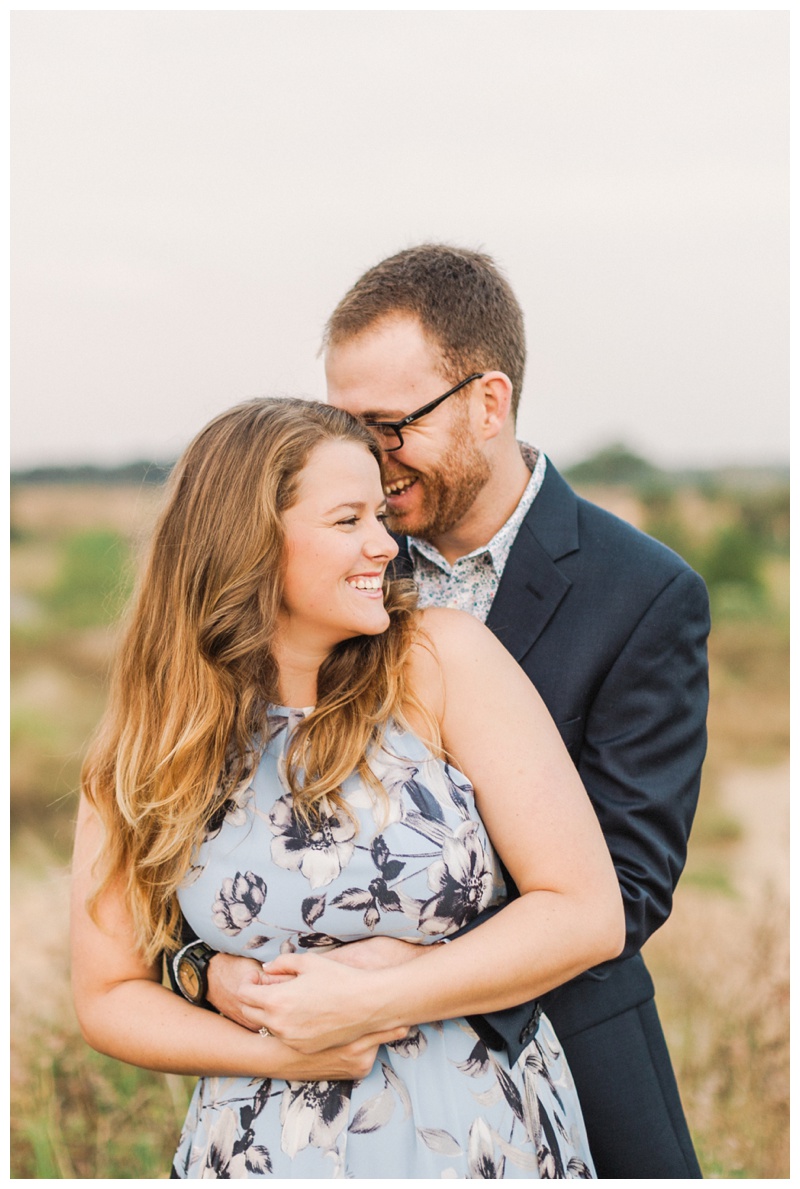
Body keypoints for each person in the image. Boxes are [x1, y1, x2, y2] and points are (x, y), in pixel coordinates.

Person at [199, 245, 711, 1178]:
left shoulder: (643, 592)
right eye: (342, 423)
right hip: (315, 1089)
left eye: (389, 423)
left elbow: (627, 882)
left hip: (559, 1061)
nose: (367, 456)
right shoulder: (329, 565)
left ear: (489, 401)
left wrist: (396, 972)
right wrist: (212, 973)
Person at [71, 397, 624, 1178]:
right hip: (264, 1150)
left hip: (474, 1137)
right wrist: (278, 1051)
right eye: (347, 521)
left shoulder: (439, 662)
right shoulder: (153, 739)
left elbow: (587, 912)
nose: (383, 545)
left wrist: (375, 1001)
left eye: (380, 515)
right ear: (250, 543)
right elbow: (108, 995)